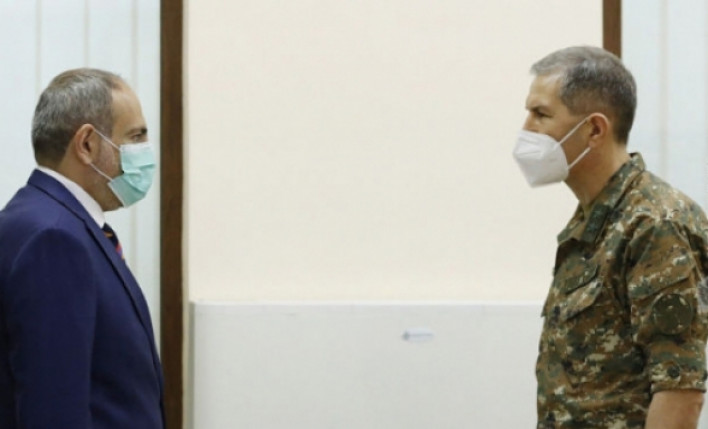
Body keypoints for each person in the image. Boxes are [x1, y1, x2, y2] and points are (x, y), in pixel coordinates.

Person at [514, 46, 708, 428]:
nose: (526, 129)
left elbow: (679, 392)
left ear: (595, 130)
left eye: (541, 114)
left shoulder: (655, 224)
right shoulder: (593, 220)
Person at [0, 69, 164, 428]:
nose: (146, 151)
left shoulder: (48, 220)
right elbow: (53, 410)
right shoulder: (53, 238)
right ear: (87, 144)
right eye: (135, 136)